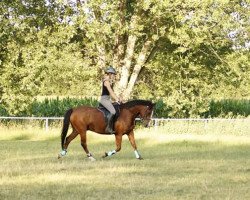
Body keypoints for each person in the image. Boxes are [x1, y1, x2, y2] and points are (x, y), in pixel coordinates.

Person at [100, 66, 120, 134]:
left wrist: (119, 99)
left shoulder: (109, 82)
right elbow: (111, 92)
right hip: (104, 100)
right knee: (113, 111)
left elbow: (112, 93)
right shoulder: (106, 81)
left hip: (108, 99)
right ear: (110, 74)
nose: (114, 76)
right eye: (113, 74)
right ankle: (108, 128)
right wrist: (116, 99)